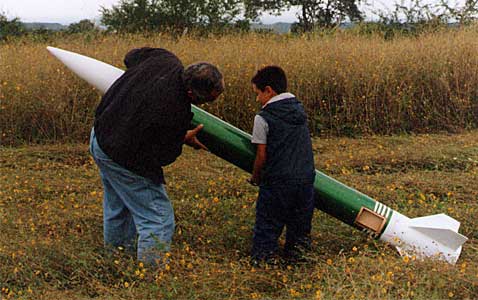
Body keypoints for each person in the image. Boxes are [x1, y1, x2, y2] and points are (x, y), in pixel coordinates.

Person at [89, 47, 224, 265]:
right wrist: (183, 138)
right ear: (192, 94)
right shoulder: (175, 111)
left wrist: (138, 84)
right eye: (208, 100)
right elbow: (163, 157)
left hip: (100, 135)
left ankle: (116, 263)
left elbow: (130, 56)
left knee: (119, 207)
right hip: (121, 153)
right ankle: (151, 277)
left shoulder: (164, 58)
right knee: (158, 218)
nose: (208, 104)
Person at [249, 65, 316, 264]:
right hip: (305, 180)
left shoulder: (262, 118)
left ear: (269, 90)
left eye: (258, 93)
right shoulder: (299, 110)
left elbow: (261, 155)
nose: (257, 99)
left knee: (268, 224)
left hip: (278, 182)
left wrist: (255, 177)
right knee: (300, 226)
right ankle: (298, 259)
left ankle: (263, 259)